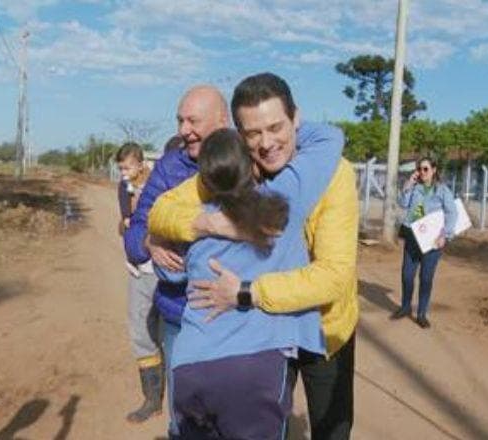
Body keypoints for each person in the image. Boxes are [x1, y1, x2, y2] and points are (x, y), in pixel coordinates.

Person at [148, 72, 359, 440]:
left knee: (331, 430)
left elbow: (333, 276)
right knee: (268, 420)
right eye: (253, 134)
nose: (267, 143)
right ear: (239, 136)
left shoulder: (329, 173)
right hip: (269, 335)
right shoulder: (241, 170)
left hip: (324, 331)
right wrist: (211, 224)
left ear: (297, 118)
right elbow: (162, 210)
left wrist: (247, 291)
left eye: (276, 127)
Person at [123, 85, 229, 431]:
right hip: (179, 318)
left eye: (194, 120)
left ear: (223, 120)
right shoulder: (170, 166)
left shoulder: (249, 161)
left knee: (230, 418)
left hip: (233, 320)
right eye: (180, 120)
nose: (184, 130)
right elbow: (135, 233)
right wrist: (151, 242)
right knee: (184, 421)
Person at [115, 142, 162, 423]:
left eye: (127, 167)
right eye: (120, 168)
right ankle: (153, 398)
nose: (123, 173)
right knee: (140, 329)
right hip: (139, 270)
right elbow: (123, 224)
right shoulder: (125, 189)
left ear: (142, 164)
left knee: (169, 331)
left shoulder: (159, 184)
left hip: (163, 269)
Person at [391, 156, 458, 329]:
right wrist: (408, 185)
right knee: (407, 275)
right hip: (413, 237)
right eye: (419, 169)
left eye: (425, 169)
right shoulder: (415, 188)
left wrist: (445, 235)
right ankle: (405, 307)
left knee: (426, 278)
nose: (422, 172)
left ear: (434, 170)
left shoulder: (442, 190)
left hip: (432, 241)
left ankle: (421, 314)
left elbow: (452, 214)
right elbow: (402, 203)